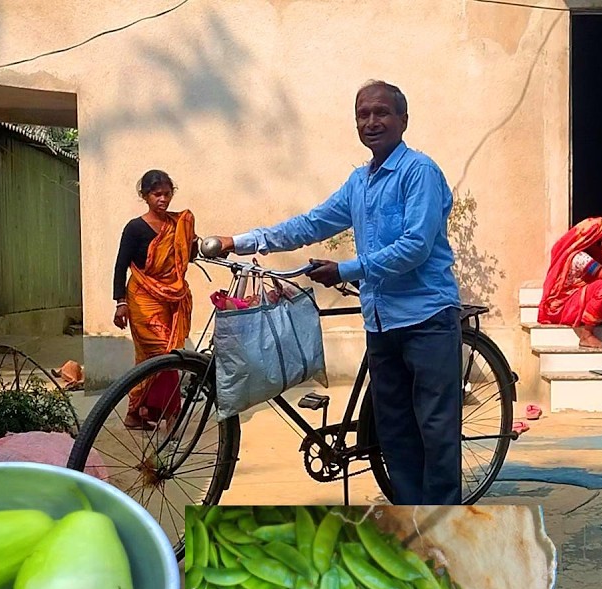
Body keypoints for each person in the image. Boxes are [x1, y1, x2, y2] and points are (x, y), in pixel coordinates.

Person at [209, 80, 463, 505]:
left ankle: (444, 534)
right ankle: (408, 524)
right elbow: (310, 224)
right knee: (394, 430)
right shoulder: (358, 183)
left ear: (403, 119)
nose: (371, 121)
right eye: (363, 115)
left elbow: (416, 246)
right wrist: (241, 240)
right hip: (380, 321)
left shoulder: (420, 173)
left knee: (436, 431)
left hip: (426, 318)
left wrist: (346, 269)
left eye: (381, 112)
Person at [111, 169, 198, 430]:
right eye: (156, 194)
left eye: (167, 194)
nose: (162, 199)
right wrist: (120, 302)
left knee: (150, 360)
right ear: (145, 196)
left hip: (170, 297)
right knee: (165, 353)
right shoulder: (135, 227)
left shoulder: (178, 224)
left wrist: (192, 245)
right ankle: (172, 414)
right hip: (141, 298)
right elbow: (120, 265)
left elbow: (186, 258)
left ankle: (136, 413)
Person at [537, 217, 602, 348]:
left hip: (569, 303)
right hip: (564, 308)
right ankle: (586, 335)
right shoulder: (580, 258)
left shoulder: (586, 251)